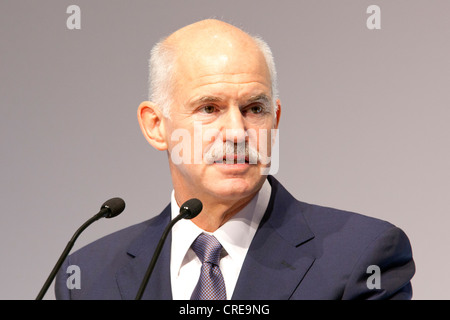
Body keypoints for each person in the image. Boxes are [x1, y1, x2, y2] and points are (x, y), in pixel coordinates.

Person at [55, 19, 415, 300]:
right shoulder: (88, 276)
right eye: (209, 108)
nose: (237, 132)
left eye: (254, 109)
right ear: (156, 126)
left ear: (275, 120)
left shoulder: (362, 255)